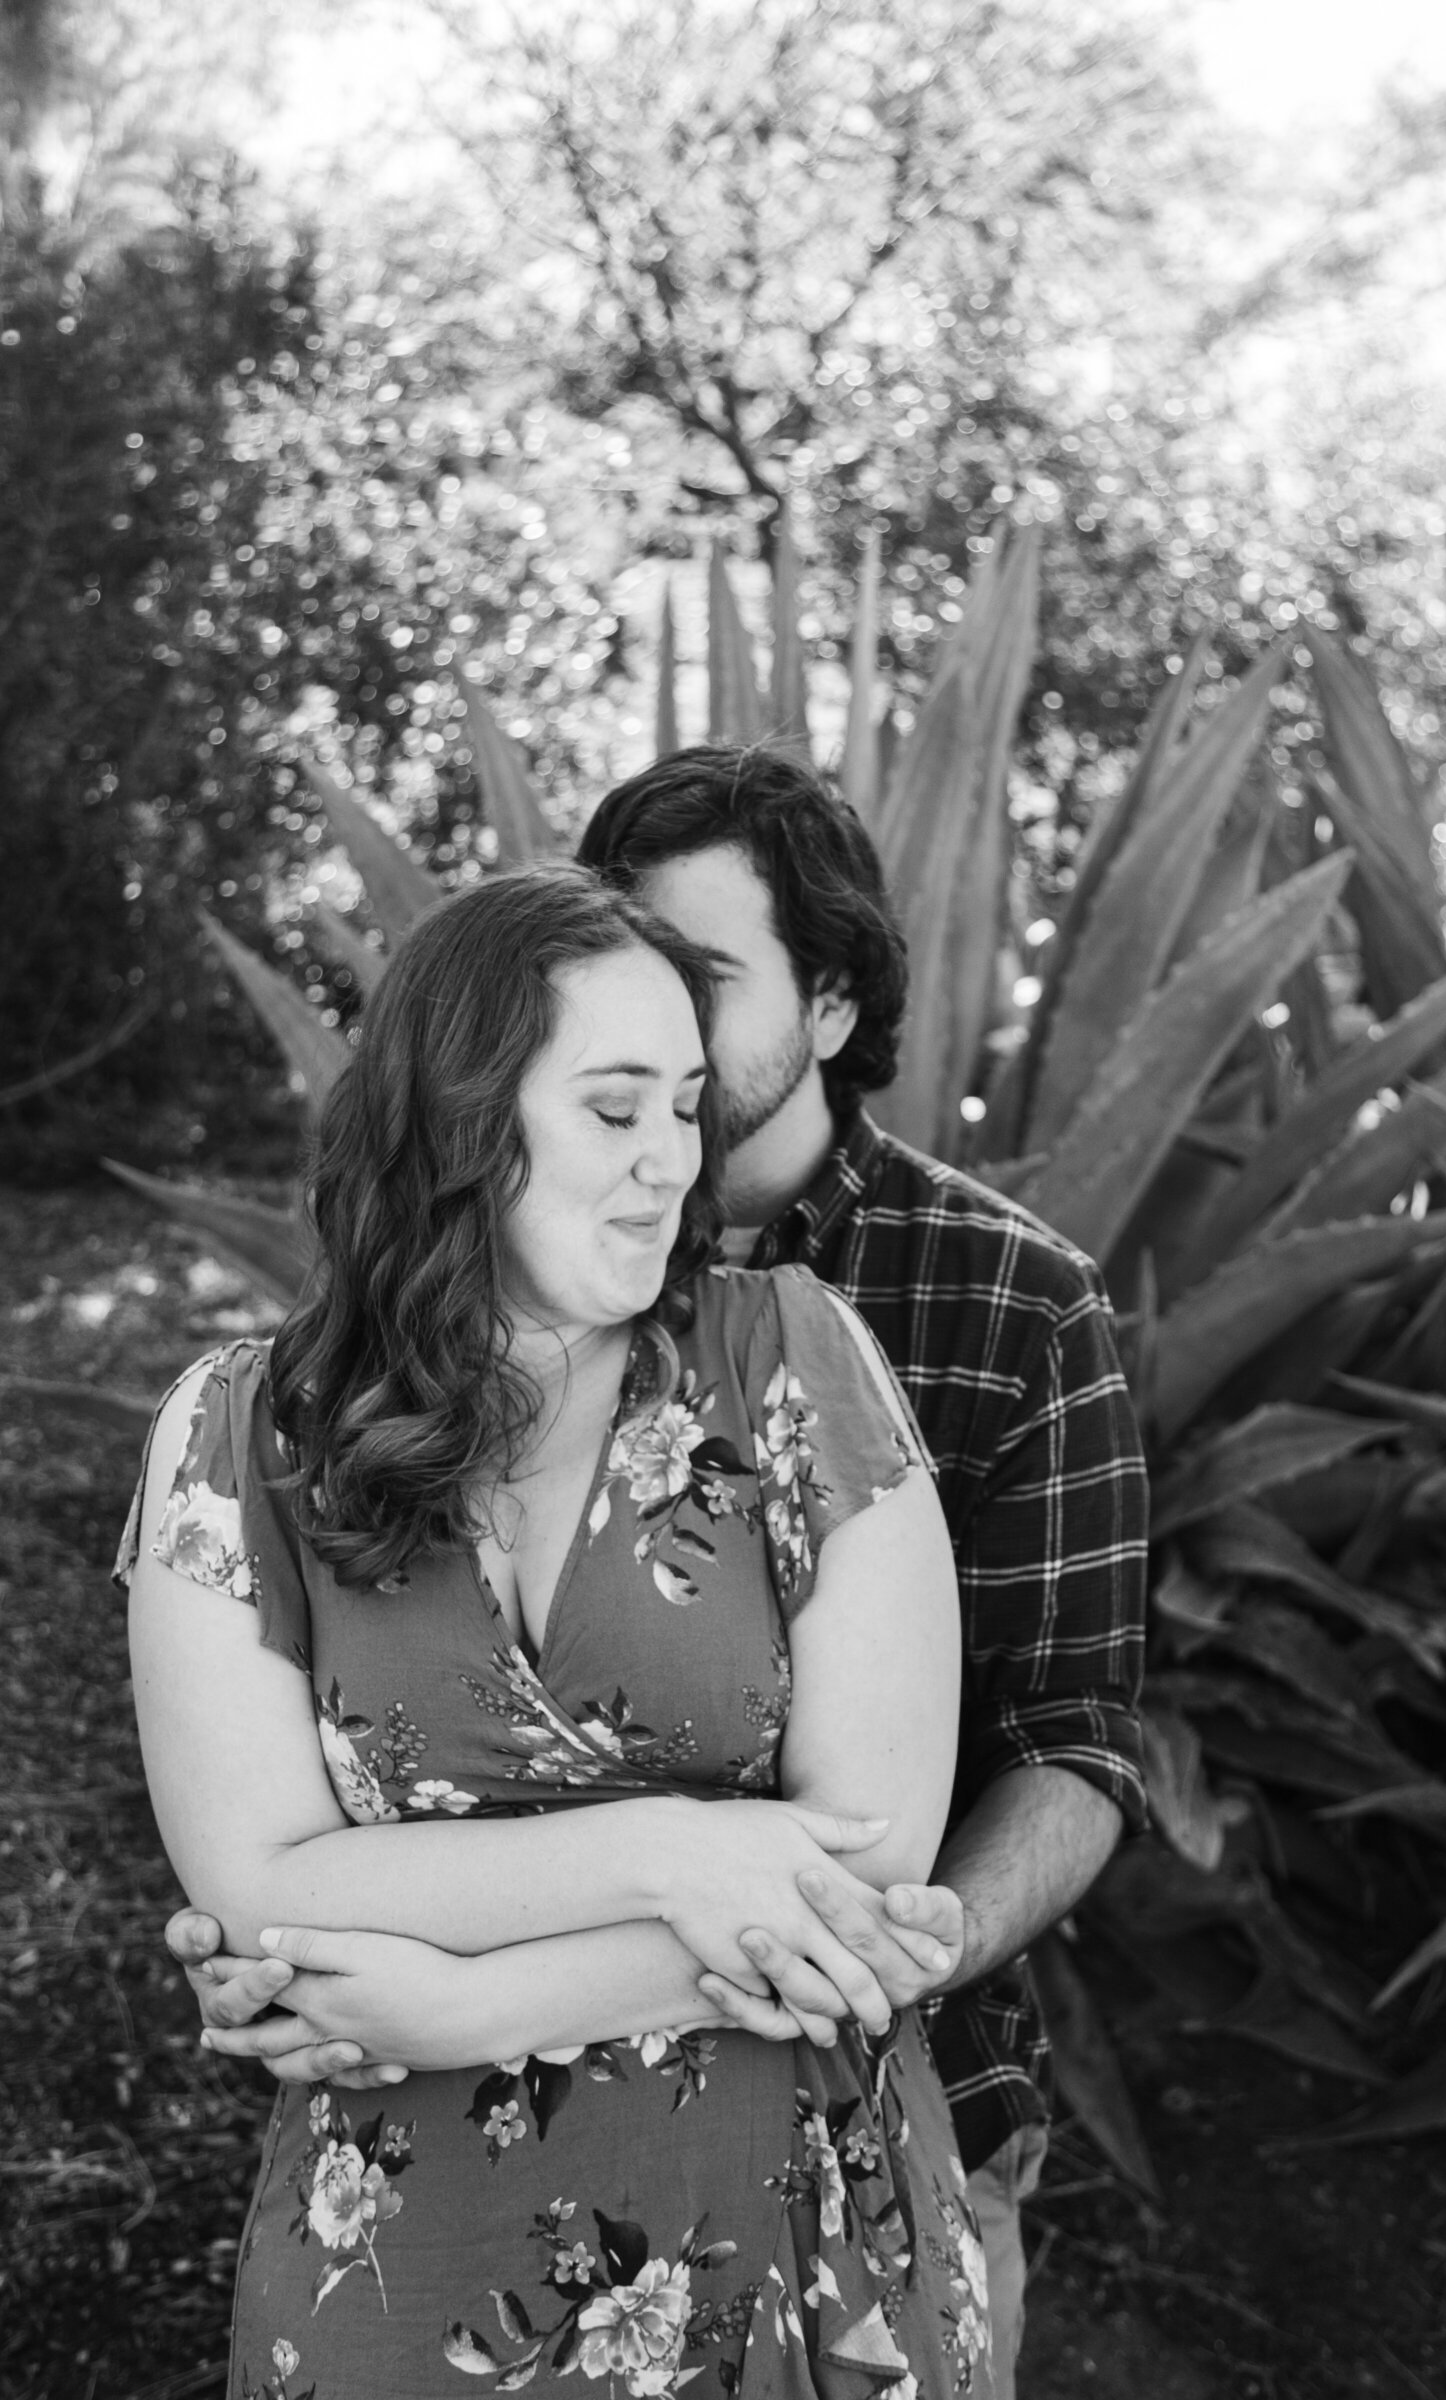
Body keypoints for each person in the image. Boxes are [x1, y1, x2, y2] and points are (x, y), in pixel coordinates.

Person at [171, 746, 1149, 2400]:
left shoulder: (926, 1320)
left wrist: (864, 1941)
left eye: (683, 1092)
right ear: (470, 1112)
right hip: (412, 2247)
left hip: (829, 2154)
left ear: (827, 1008)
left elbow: (1045, 1752)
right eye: (618, 1101)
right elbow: (262, 1875)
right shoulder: (257, 1419)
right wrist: (684, 1860)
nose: (670, 1155)